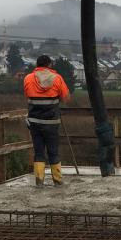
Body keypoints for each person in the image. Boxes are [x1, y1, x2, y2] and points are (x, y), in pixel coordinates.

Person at [23, 55, 71, 186]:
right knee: (53, 152)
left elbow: (27, 96)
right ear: (49, 65)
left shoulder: (28, 78)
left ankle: (39, 182)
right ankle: (57, 181)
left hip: (34, 122)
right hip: (51, 123)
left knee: (39, 152)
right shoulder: (57, 78)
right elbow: (66, 98)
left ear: (37, 65)